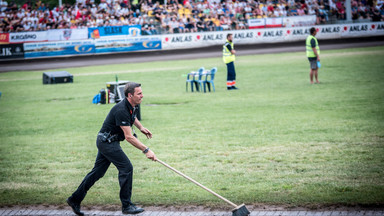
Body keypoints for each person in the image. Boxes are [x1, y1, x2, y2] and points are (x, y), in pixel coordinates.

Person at [67, 82, 157, 215]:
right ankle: (127, 206)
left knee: (98, 172)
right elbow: (129, 137)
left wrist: (141, 128)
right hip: (107, 143)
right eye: (139, 94)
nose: (142, 96)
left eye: (142, 93)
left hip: (108, 141)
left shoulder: (132, 105)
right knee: (126, 168)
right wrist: (146, 150)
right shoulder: (121, 110)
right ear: (130, 95)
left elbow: (132, 117)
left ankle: (74, 199)